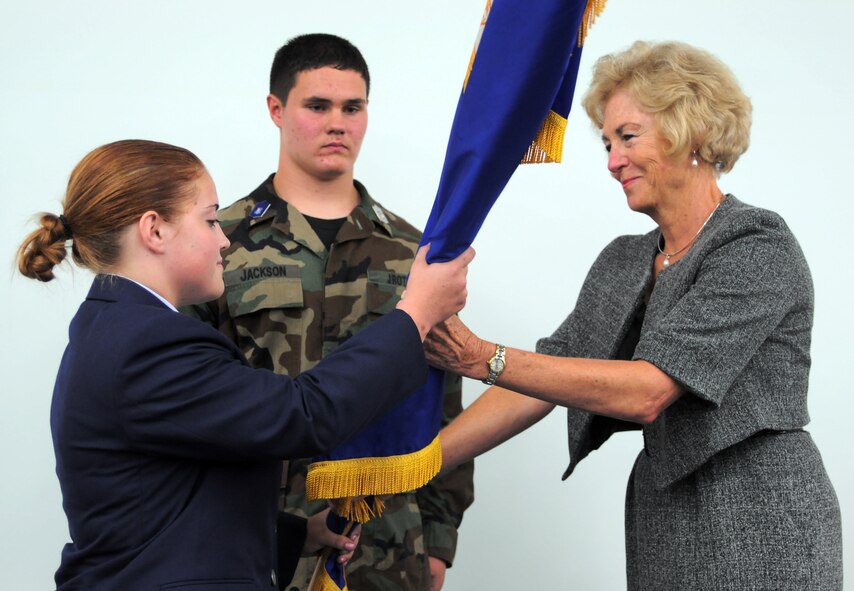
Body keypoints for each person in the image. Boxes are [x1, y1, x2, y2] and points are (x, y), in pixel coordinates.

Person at [424, 40, 843, 590]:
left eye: (628, 136)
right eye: (606, 143)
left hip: (760, 510)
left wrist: (483, 358)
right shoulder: (624, 259)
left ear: (689, 130)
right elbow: (541, 378)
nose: (612, 161)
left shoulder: (755, 244)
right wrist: (420, 463)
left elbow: (647, 392)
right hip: (660, 513)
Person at [16, 139, 474, 591]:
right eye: (211, 219)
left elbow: (169, 504)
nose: (223, 240)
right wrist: (414, 316)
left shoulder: (121, 327)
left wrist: (296, 534)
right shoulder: (146, 343)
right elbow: (303, 414)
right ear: (154, 230)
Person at [184, 34, 474, 591]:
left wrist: (438, 541)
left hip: (388, 549)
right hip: (256, 544)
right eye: (317, 106)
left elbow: (444, 399)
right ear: (277, 109)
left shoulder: (414, 252)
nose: (337, 123)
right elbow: (192, 403)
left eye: (352, 107)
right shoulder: (220, 243)